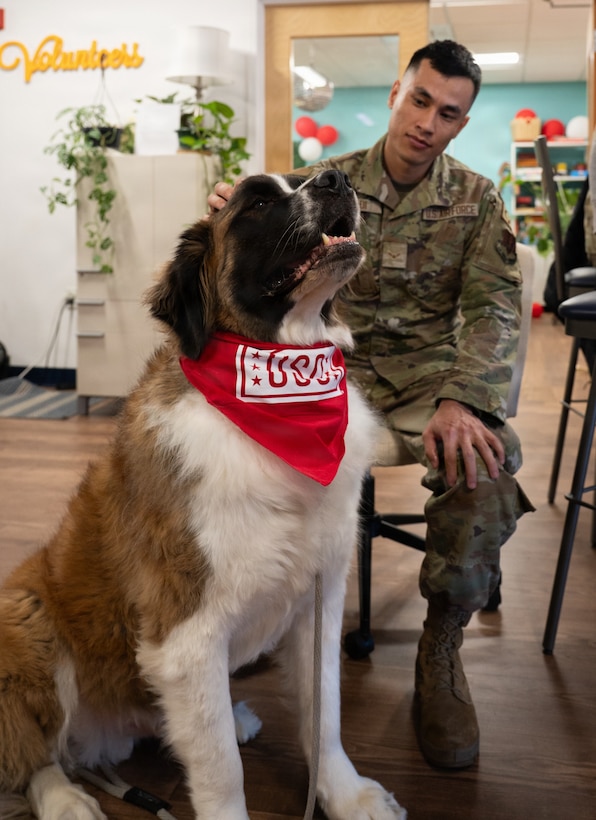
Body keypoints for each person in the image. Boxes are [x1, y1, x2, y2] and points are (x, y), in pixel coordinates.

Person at [208, 39, 534, 771]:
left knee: (489, 457)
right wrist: (237, 208)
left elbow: (492, 313)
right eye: (420, 100)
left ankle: (441, 650)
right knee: (229, 443)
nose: (427, 121)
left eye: (448, 113)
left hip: (423, 384)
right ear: (397, 92)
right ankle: (254, 618)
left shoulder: (478, 201)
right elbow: (263, 227)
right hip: (329, 372)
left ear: (461, 122)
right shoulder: (329, 182)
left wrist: (463, 400)